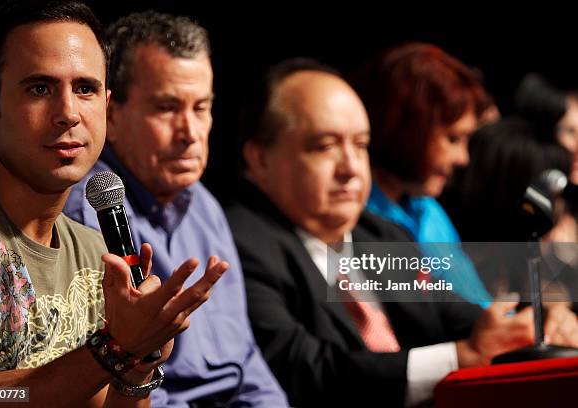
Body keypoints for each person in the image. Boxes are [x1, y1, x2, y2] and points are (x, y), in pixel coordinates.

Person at [225, 58, 578, 407]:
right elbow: (305, 373)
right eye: (325, 146)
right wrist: (460, 358)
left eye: (360, 145)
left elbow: (462, 318)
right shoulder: (240, 245)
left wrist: (538, 325)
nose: (351, 167)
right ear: (259, 159)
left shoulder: (380, 235)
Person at [0, 1, 226, 406]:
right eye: (40, 89)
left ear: (106, 106)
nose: (68, 113)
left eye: (84, 89)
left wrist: (138, 360)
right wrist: (116, 351)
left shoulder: (94, 251)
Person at [64, 11, 288, 407]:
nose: (190, 133)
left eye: (201, 108)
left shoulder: (205, 204)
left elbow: (247, 362)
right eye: (167, 108)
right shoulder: (87, 210)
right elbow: (106, 384)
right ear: (111, 117)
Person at [351, 43, 494, 307]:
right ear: (407, 130)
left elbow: (478, 309)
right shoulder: (348, 220)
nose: (463, 159)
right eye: (453, 139)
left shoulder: (428, 210)